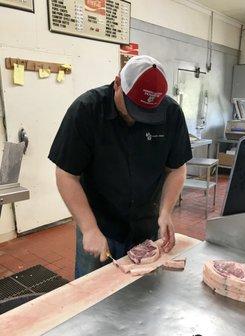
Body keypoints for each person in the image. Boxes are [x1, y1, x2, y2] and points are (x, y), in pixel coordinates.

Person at [49, 55, 192, 278]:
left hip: (146, 225)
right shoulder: (87, 110)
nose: (138, 119)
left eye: (148, 114)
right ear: (117, 84)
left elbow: (176, 168)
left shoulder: (171, 113)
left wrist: (165, 212)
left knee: (145, 292)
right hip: (100, 224)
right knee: (92, 293)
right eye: (133, 108)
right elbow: (66, 174)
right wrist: (88, 228)